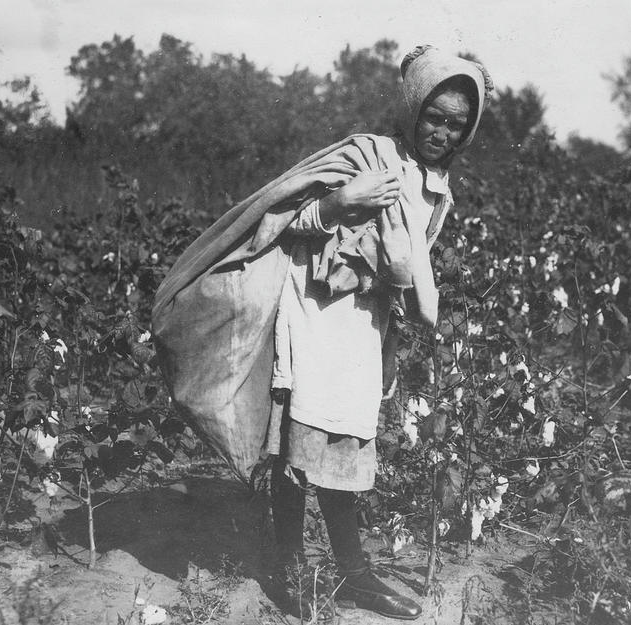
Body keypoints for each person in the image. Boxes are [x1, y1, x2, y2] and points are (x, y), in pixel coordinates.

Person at [152, 45, 491, 621]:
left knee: (344, 443)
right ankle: (287, 566)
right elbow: (286, 225)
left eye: (456, 124)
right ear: (412, 109)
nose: (442, 132)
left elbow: (408, 280)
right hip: (311, 310)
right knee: (295, 445)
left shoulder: (438, 187)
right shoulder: (366, 156)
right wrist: (339, 202)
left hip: (362, 323)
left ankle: (352, 574)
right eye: (434, 117)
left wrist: (390, 344)